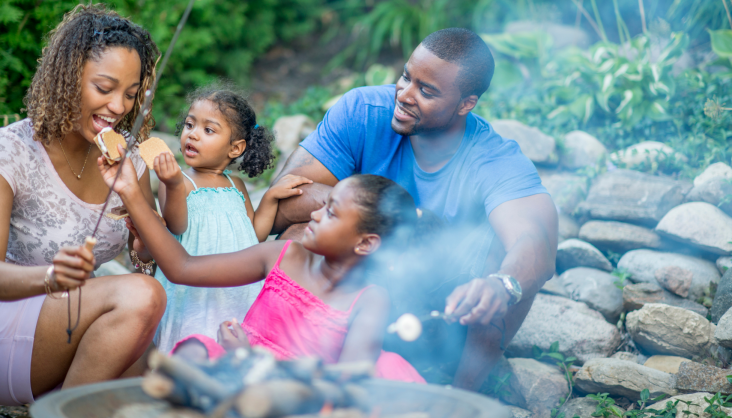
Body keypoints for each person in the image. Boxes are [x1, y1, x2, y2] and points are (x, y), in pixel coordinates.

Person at [270, 28, 558, 390]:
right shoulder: (363, 110)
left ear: (466, 104)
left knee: (506, 267)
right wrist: (391, 219)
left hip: (438, 309)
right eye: (406, 77)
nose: (404, 95)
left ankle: (459, 399)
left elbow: (538, 245)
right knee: (301, 235)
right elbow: (283, 201)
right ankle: (280, 353)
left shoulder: (492, 158)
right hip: (358, 277)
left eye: (427, 91)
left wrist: (502, 285)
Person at [100, 149, 426, 383]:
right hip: (240, 373)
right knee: (196, 352)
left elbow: (348, 384)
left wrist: (254, 360)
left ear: (366, 243)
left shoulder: (369, 299)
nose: (314, 214)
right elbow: (182, 267)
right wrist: (130, 192)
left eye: (331, 213)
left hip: (301, 395)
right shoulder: (283, 255)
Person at [0, 4, 166, 405]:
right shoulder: (8, 151)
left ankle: (67, 407)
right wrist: (50, 277)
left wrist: (144, 245)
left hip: (69, 325)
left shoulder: (128, 160)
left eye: (131, 95)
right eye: (104, 88)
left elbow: (147, 260)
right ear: (66, 79)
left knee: (158, 366)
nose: (119, 107)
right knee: (143, 297)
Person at [150, 85, 312, 352]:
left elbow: (253, 235)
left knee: (232, 350)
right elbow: (177, 225)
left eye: (208, 130)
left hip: (236, 288)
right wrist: (172, 183)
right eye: (189, 125)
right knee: (197, 346)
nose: (193, 134)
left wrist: (270, 197)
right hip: (195, 289)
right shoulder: (179, 181)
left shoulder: (235, 184)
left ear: (235, 148)